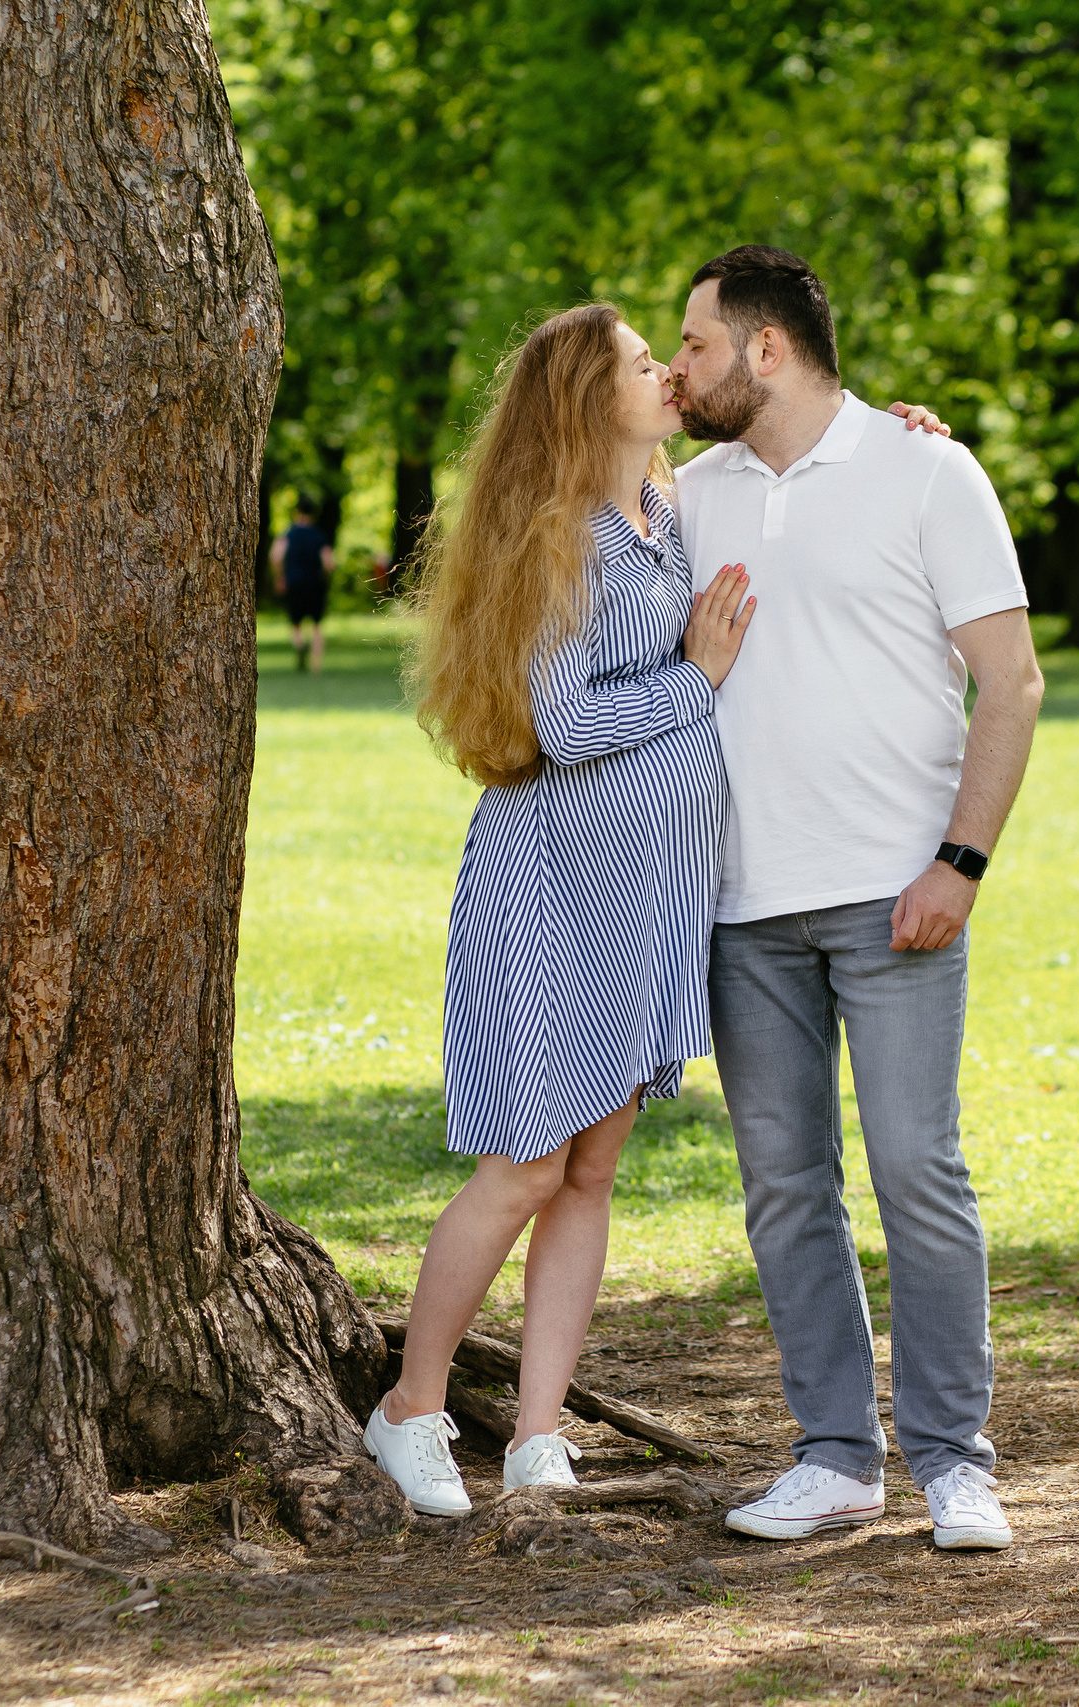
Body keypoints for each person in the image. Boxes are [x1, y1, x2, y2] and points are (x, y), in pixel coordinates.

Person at [667, 245, 1044, 1553]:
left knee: (915, 1171)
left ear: (767, 348)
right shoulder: (686, 496)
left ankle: (954, 1462)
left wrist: (961, 862)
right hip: (739, 903)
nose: (679, 369)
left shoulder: (928, 470)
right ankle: (834, 1456)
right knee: (784, 1187)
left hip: (898, 897)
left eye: (696, 344)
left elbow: (1012, 681)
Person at [362, 302, 755, 1515]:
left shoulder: (671, 508)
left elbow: (797, 458)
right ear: (591, 400)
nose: (668, 371)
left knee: (591, 1171)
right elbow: (568, 725)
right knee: (525, 1168)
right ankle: (410, 1409)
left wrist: (907, 432)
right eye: (643, 362)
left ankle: (539, 1437)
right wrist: (694, 681)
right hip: (550, 885)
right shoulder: (558, 538)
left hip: (647, 891)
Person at [270, 501, 334, 673]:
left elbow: (275, 556)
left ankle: (299, 644)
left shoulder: (288, 534)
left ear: (296, 513)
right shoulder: (319, 535)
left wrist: (280, 578)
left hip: (294, 582)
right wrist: (324, 578)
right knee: (317, 624)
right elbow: (328, 563)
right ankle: (315, 665)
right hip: (315, 583)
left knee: (295, 622)